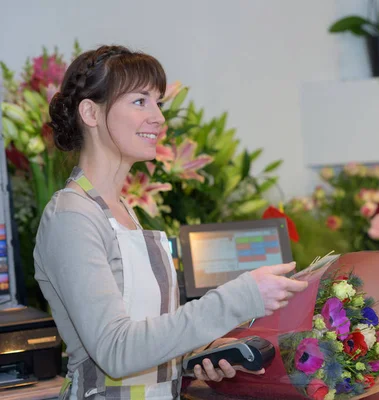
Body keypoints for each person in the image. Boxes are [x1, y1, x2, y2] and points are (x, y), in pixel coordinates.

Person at [34, 45, 308, 400]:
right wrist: (239, 298)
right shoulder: (71, 217)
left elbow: (146, 338)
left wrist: (196, 353)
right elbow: (116, 351)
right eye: (139, 101)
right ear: (90, 112)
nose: (158, 118)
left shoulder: (124, 211)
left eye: (158, 103)